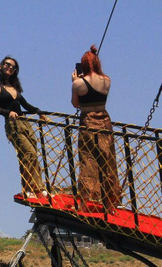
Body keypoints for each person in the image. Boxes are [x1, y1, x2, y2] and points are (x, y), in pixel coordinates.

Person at [0, 56, 49, 198]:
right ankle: (28, 188)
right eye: (7, 64)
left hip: (25, 122)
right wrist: (8, 112)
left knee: (34, 152)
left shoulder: (15, 88)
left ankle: (38, 189)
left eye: (13, 67)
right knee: (29, 153)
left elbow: (26, 105)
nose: (9, 67)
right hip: (13, 124)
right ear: (0, 66)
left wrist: (40, 112)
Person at [71, 45, 121, 211]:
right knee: (107, 161)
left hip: (87, 124)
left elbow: (75, 104)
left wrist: (74, 81)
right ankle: (109, 203)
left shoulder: (78, 83)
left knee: (87, 161)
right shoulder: (107, 80)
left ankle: (84, 203)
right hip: (105, 122)